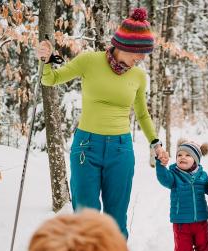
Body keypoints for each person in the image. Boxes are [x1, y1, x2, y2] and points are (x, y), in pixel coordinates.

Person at [36, 8, 168, 238]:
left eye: (145, 53)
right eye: (140, 52)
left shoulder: (138, 76)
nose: (142, 58)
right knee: (86, 215)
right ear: (124, 45)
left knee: (116, 216)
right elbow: (51, 79)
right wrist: (45, 60)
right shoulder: (89, 61)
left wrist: (156, 144)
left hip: (121, 149)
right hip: (87, 147)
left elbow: (143, 114)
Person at [155, 139, 208, 251]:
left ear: (196, 160)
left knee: (205, 247)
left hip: (200, 221)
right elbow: (164, 179)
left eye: (188, 155)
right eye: (179, 155)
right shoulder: (173, 175)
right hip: (181, 223)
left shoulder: (202, 175)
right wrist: (161, 165)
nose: (183, 157)